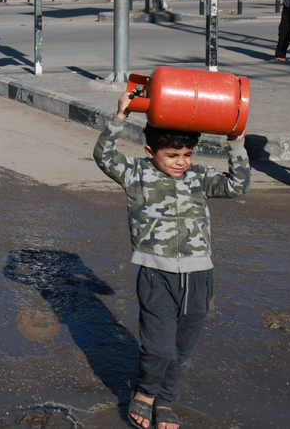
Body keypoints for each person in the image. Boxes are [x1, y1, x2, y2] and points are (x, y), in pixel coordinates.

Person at [94, 92, 250, 429]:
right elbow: (104, 156)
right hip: (156, 275)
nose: (181, 162)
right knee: (158, 345)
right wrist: (119, 117)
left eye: (186, 154)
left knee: (183, 348)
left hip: (199, 275)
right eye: (172, 155)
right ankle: (146, 393)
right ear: (151, 152)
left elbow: (237, 186)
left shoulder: (198, 177)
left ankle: (165, 401)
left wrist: (236, 144)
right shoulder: (135, 172)